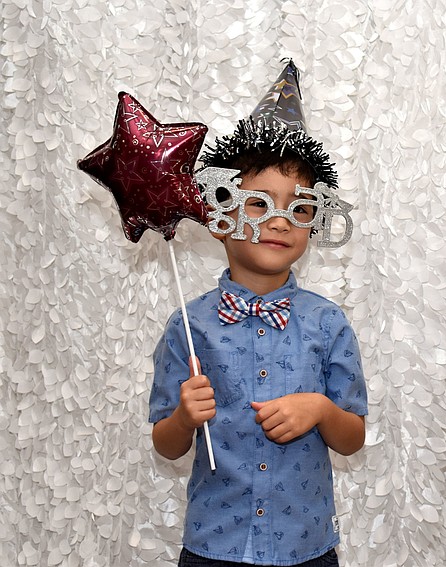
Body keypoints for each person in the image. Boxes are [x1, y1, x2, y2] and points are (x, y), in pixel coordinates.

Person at [149, 60, 367, 567]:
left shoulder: (328, 323)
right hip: (214, 545)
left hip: (305, 547)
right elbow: (166, 445)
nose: (280, 222)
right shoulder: (189, 326)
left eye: (299, 207)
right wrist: (183, 416)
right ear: (219, 215)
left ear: (315, 223)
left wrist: (321, 409)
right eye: (258, 204)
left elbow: (353, 439)